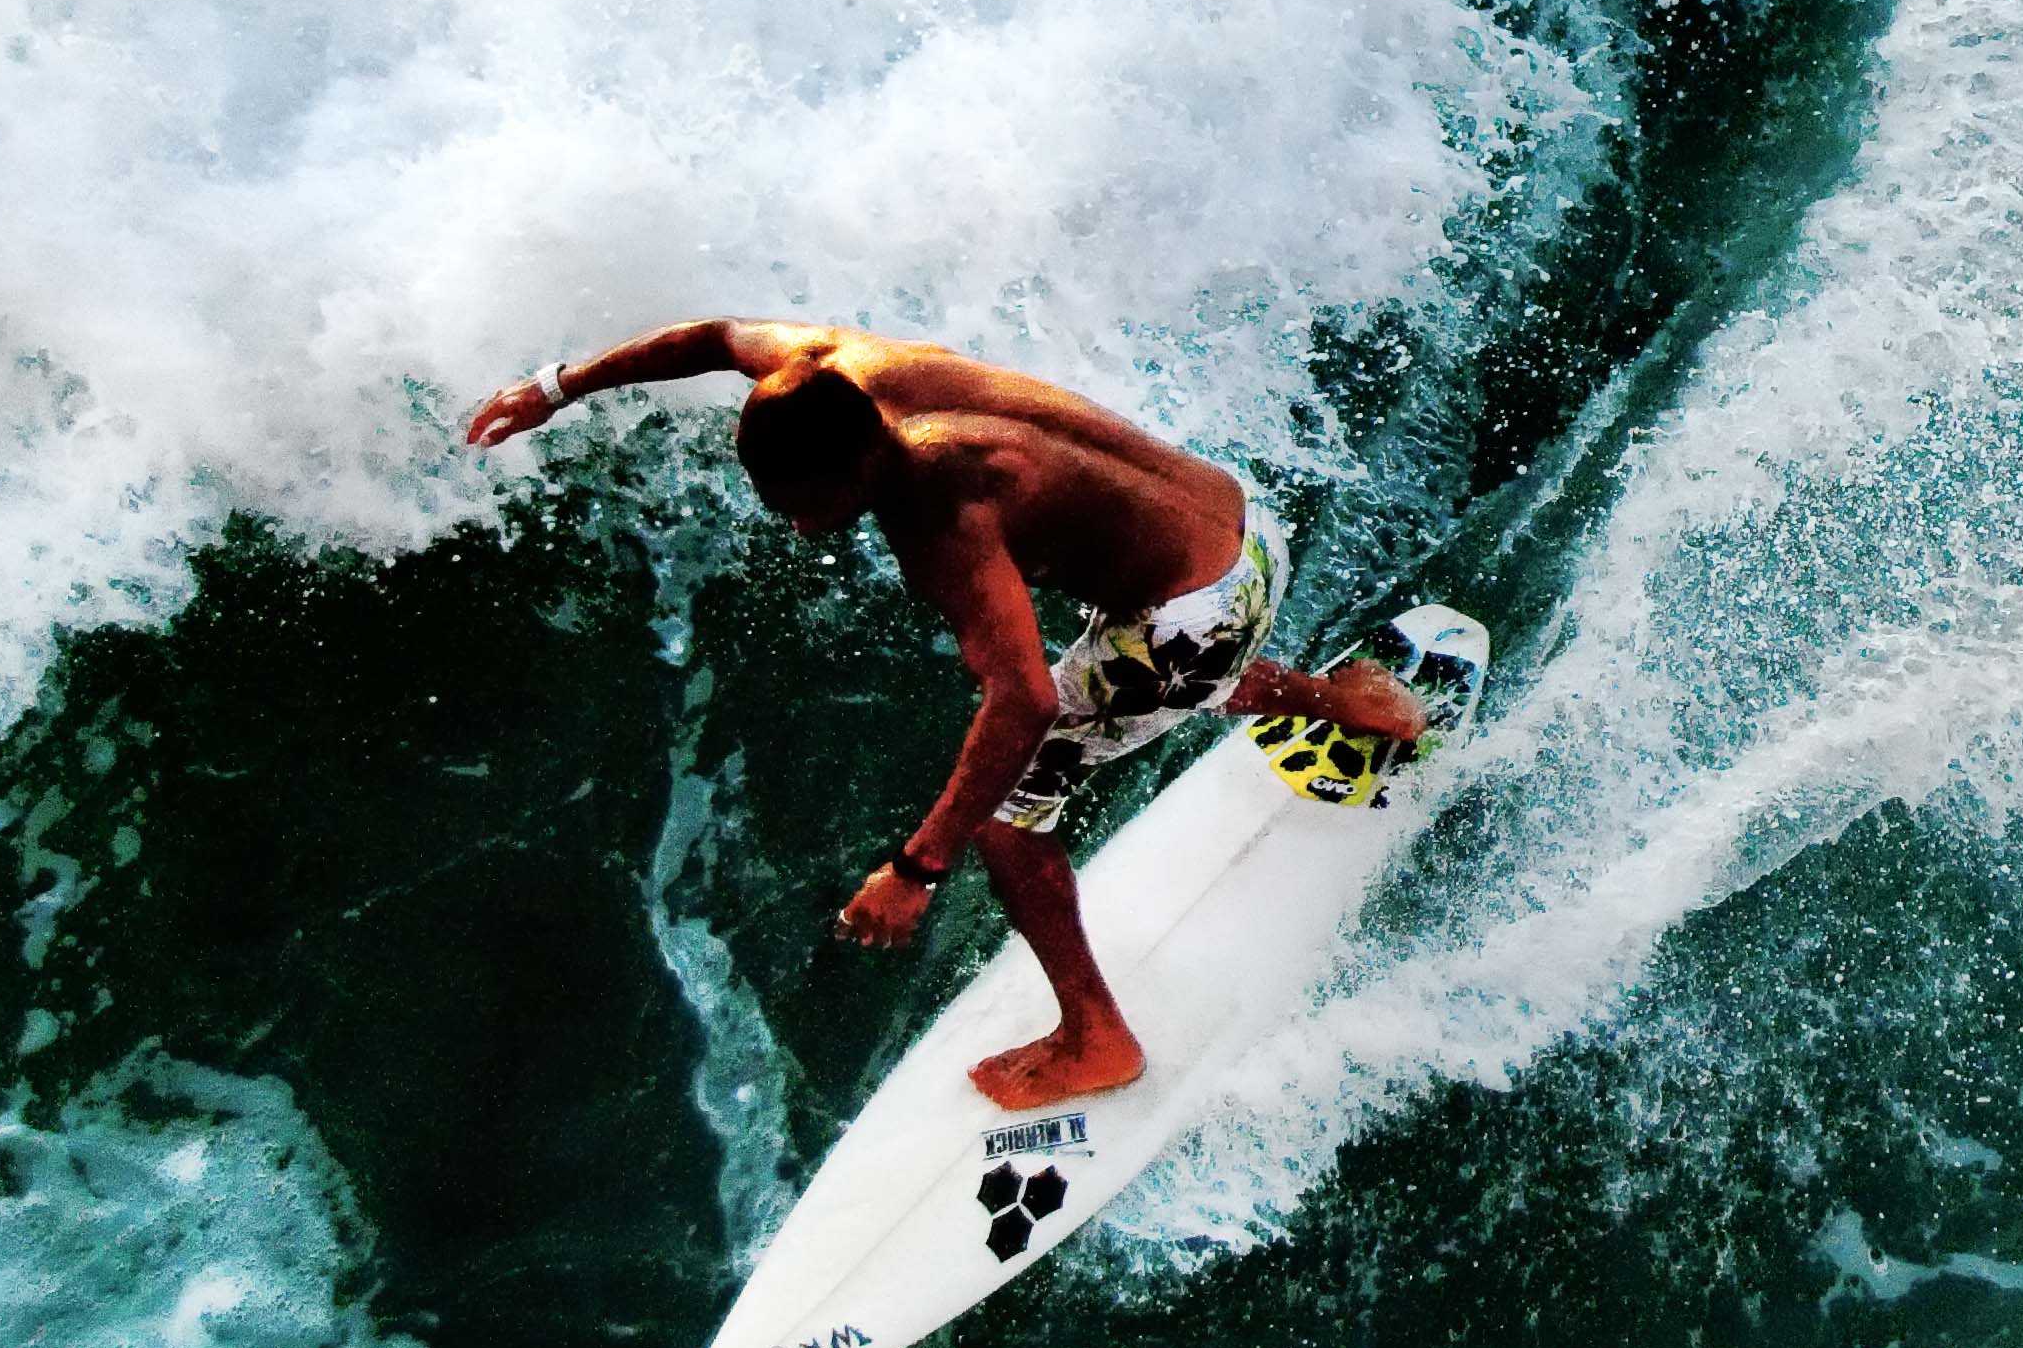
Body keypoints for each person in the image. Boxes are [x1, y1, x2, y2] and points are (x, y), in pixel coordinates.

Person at [463, 321, 1421, 1108]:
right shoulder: (838, 367)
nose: (798, 526)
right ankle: (1354, 704)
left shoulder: (939, 511)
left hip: (1191, 619)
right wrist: (558, 385)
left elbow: (1023, 698)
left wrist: (917, 866)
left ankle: (1098, 1039)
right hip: (1242, 527)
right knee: (1142, 669)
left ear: (863, 464)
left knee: (1011, 824)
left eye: (809, 505)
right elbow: (716, 335)